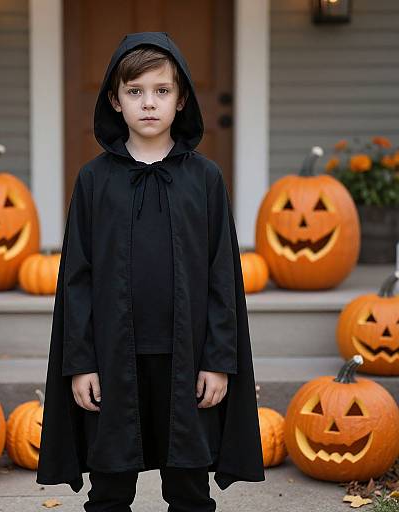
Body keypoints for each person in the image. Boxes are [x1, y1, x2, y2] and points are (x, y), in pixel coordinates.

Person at [36, 31, 265, 511]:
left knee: (188, 486)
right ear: (115, 101)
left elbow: (224, 276)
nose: (148, 104)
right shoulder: (94, 180)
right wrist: (80, 363)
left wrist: (219, 360)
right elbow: (76, 278)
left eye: (162, 91)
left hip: (188, 358)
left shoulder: (204, 179)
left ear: (181, 100)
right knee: (110, 485)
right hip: (113, 359)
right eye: (135, 91)